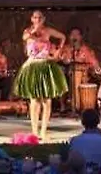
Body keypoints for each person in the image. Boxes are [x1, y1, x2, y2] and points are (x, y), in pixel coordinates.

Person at [15, 11, 69, 140]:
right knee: (34, 100)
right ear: (32, 19)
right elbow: (26, 38)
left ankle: (43, 131)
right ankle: (34, 131)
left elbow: (62, 37)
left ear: (44, 19)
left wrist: (57, 52)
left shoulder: (48, 30)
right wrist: (36, 30)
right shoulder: (27, 31)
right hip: (33, 66)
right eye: (35, 17)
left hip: (46, 65)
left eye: (40, 17)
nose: (37, 19)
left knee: (47, 100)